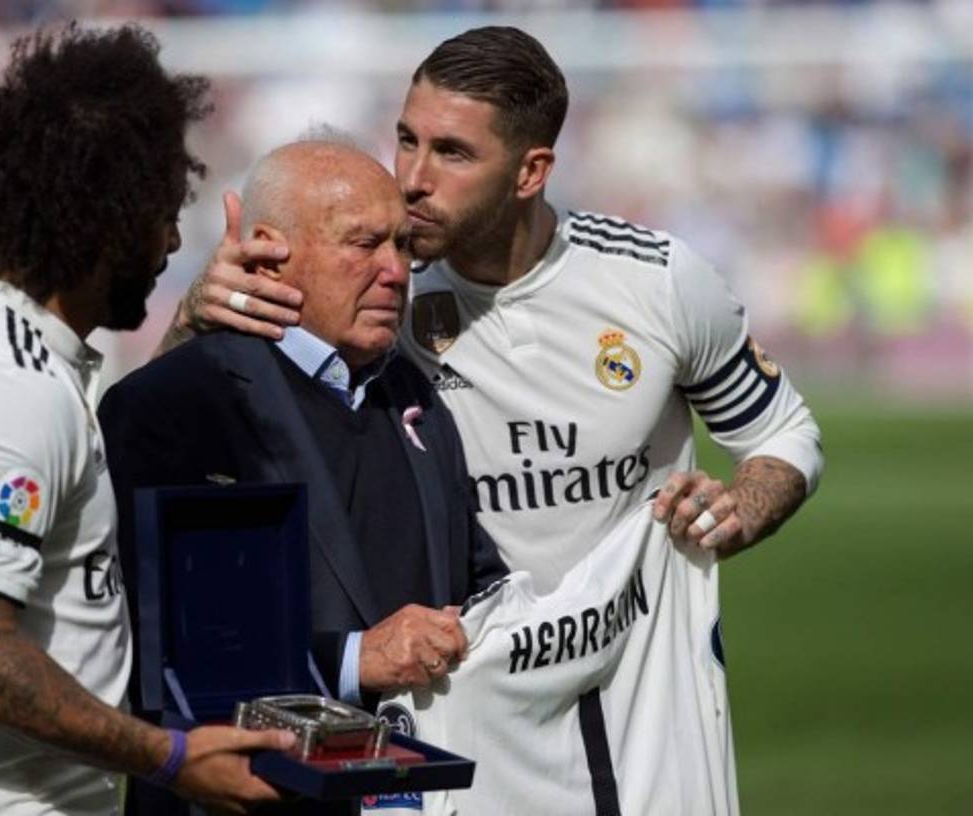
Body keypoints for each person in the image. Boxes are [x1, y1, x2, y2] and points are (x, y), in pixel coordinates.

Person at [165, 26, 823, 813]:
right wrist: (194, 314)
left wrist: (738, 508)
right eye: (407, 139)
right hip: (459, 700)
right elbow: (180, 421)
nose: (411, 178)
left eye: (452, 152)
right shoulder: (376, 295)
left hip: (639, 692)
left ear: (530, 171)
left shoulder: (656, 284)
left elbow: (783, 434)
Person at [0, 24, 293, 816]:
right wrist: (170, 756)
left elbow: (70, 477)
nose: (171, 240)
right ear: (102, 218)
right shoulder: (11, 386)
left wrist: (189, 321)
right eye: (160, 214)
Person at [98, 139, 508, 813]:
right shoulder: (178, 402)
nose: (395, 271)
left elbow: (476, 577)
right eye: (364, 243)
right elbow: (155, 654)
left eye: (403, 245)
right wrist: (352, 661)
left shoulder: (415, 395)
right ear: (268, 252)